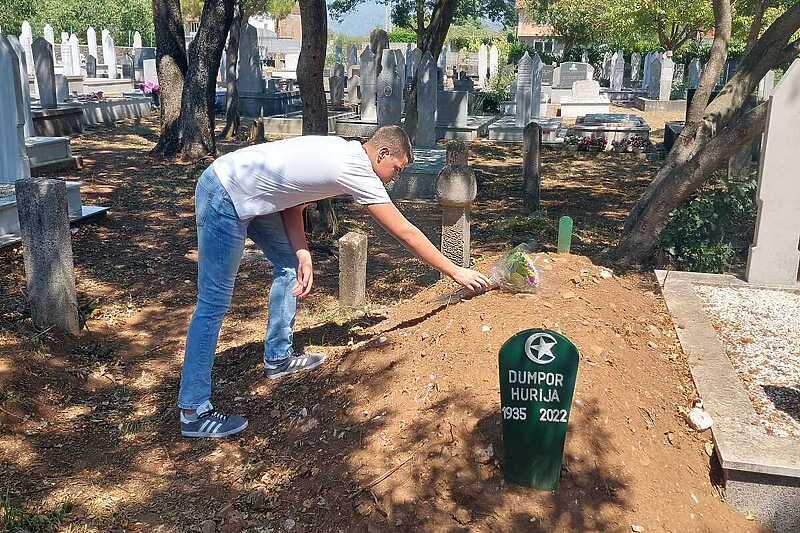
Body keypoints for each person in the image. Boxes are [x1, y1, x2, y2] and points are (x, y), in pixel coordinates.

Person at [178, 126, 491, 438]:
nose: (394, 177)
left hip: (252, 194)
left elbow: (294, 202)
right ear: (383, 153)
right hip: (225, 192)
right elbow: (405, 232)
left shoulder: (343, 151)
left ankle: (278, 357)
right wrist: (455, 271)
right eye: (396, 168)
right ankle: (193, 411)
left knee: (289, 267)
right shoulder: (356, 169)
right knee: (213, 303)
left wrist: (302, 252)